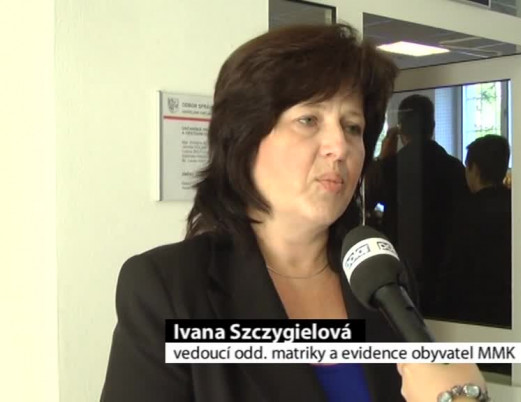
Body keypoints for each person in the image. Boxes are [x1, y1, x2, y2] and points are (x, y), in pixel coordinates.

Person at [100, 24, 486, 402]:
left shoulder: (380, 278)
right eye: (308, 120)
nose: (339, 146)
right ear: (245, 138)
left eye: (352, 127)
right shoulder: (168, 288)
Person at [366, 95, 469, 315]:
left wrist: (383, 159)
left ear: (401, 130)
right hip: (445, 264)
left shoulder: (393, 166)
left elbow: (367, 201)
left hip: (401, 264)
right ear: (433, 126)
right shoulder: (453, 167)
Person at [438, 135, 512, 328]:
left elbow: (453, 269)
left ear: (475, 169)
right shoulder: (516, 206)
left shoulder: (465, 213)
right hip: (508, 309)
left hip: (471, 312)